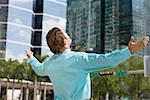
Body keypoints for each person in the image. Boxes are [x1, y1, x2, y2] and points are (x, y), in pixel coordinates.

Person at [26, 27, 149, 100]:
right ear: (64, 40)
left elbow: (38, 69)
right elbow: (107, 60)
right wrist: (130, 50)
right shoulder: (79, 59)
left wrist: (31, 58)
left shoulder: (49, 64)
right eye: (65, 33)